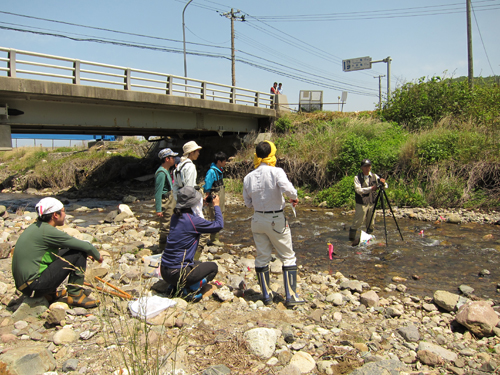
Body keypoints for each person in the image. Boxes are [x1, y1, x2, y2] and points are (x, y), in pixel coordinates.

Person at [243, 140, 305, 307]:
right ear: (272, 154)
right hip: (276, 219)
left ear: (256, 155)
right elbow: (289, 190)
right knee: (288, 256)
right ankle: (291, 297)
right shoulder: (276, 172)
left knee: (262, 257)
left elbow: (248, 203)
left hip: (257, 219)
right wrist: (293, 197)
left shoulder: (248, 177)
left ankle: (267, 295)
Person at [12, 197, 103, 308]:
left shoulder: (36, 227)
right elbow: (86, 246)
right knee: (79, 252)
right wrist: (99, 257)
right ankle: (75, 296)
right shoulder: (48, 231)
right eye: (64, 211)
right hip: (34, 287)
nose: (65, 215)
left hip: (25, 287)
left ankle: (49, 294)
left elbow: (63, 247)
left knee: (69, 251)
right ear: (55, 215)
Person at [160, 186, 223, 301]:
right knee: (213, 268)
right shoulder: (194, 221)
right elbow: (219, 225)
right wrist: (216, 206)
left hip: (164, 271)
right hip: (178, 274)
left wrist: (201, 204)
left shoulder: (175, 216)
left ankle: (173, 287)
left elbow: (190, 217)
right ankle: (188, 291)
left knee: (197, 262)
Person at [349, 159, 388, 240]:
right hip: (361, 203)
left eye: (369, 166)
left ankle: (367, 239)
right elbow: (359, 190)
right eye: (365, 166)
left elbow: (386, 187)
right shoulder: (357, 177)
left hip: (372, 202)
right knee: (358, 222)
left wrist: (383, 183)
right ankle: (351, 239)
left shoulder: (375, 176)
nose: (367, 168)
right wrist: (371, 188)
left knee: (371, 223)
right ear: (361, 168)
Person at [155, 148, 178, 251]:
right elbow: (158, 192)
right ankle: (162, 248)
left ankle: (167, 247)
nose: (174, 159)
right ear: (167, 159)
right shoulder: (161, 173)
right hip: (166, 201)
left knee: (171, 224)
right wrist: (158, 209)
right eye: (172, 157)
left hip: (170, 200)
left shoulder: (167, 171)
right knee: (166, 225)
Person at [173, 141, 203, 218]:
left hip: (180, 200)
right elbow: (189, 188)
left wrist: (178, 202)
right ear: (191, 152)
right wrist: (189, 205)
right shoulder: (190, 166)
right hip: (189, 202)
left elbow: (175, 187)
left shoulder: (178, 166)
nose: (198, 153)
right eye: (197, 151)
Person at [203, 152, 227, 246]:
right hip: (214, 196)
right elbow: (207, 186)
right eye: (224, 161)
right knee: (214, 216)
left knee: (220, 214)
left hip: (220, 195)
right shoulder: (212, 172)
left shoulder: (219, 170)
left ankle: (216, 237)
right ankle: (214, 239)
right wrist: (207, 199)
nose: (225, 162)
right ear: (219, 161)